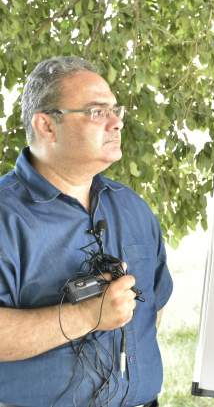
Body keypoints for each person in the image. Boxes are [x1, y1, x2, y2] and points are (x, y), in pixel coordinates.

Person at [0, 57, 173, 407]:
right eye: (97, 112)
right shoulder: (6, 215)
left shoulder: (133, 208)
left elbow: (153, 309)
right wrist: (88, 316)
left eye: (115, 110)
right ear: (47, 126)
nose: (116, 122)